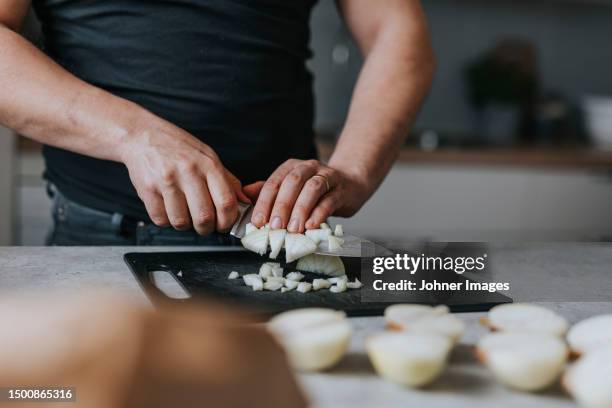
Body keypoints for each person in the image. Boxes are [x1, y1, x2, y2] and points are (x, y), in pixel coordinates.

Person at [0, 0, 435, 246]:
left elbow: (396, 33)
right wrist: (133, 135)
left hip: (277, 238)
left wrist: (353, 171)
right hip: (98, 237)